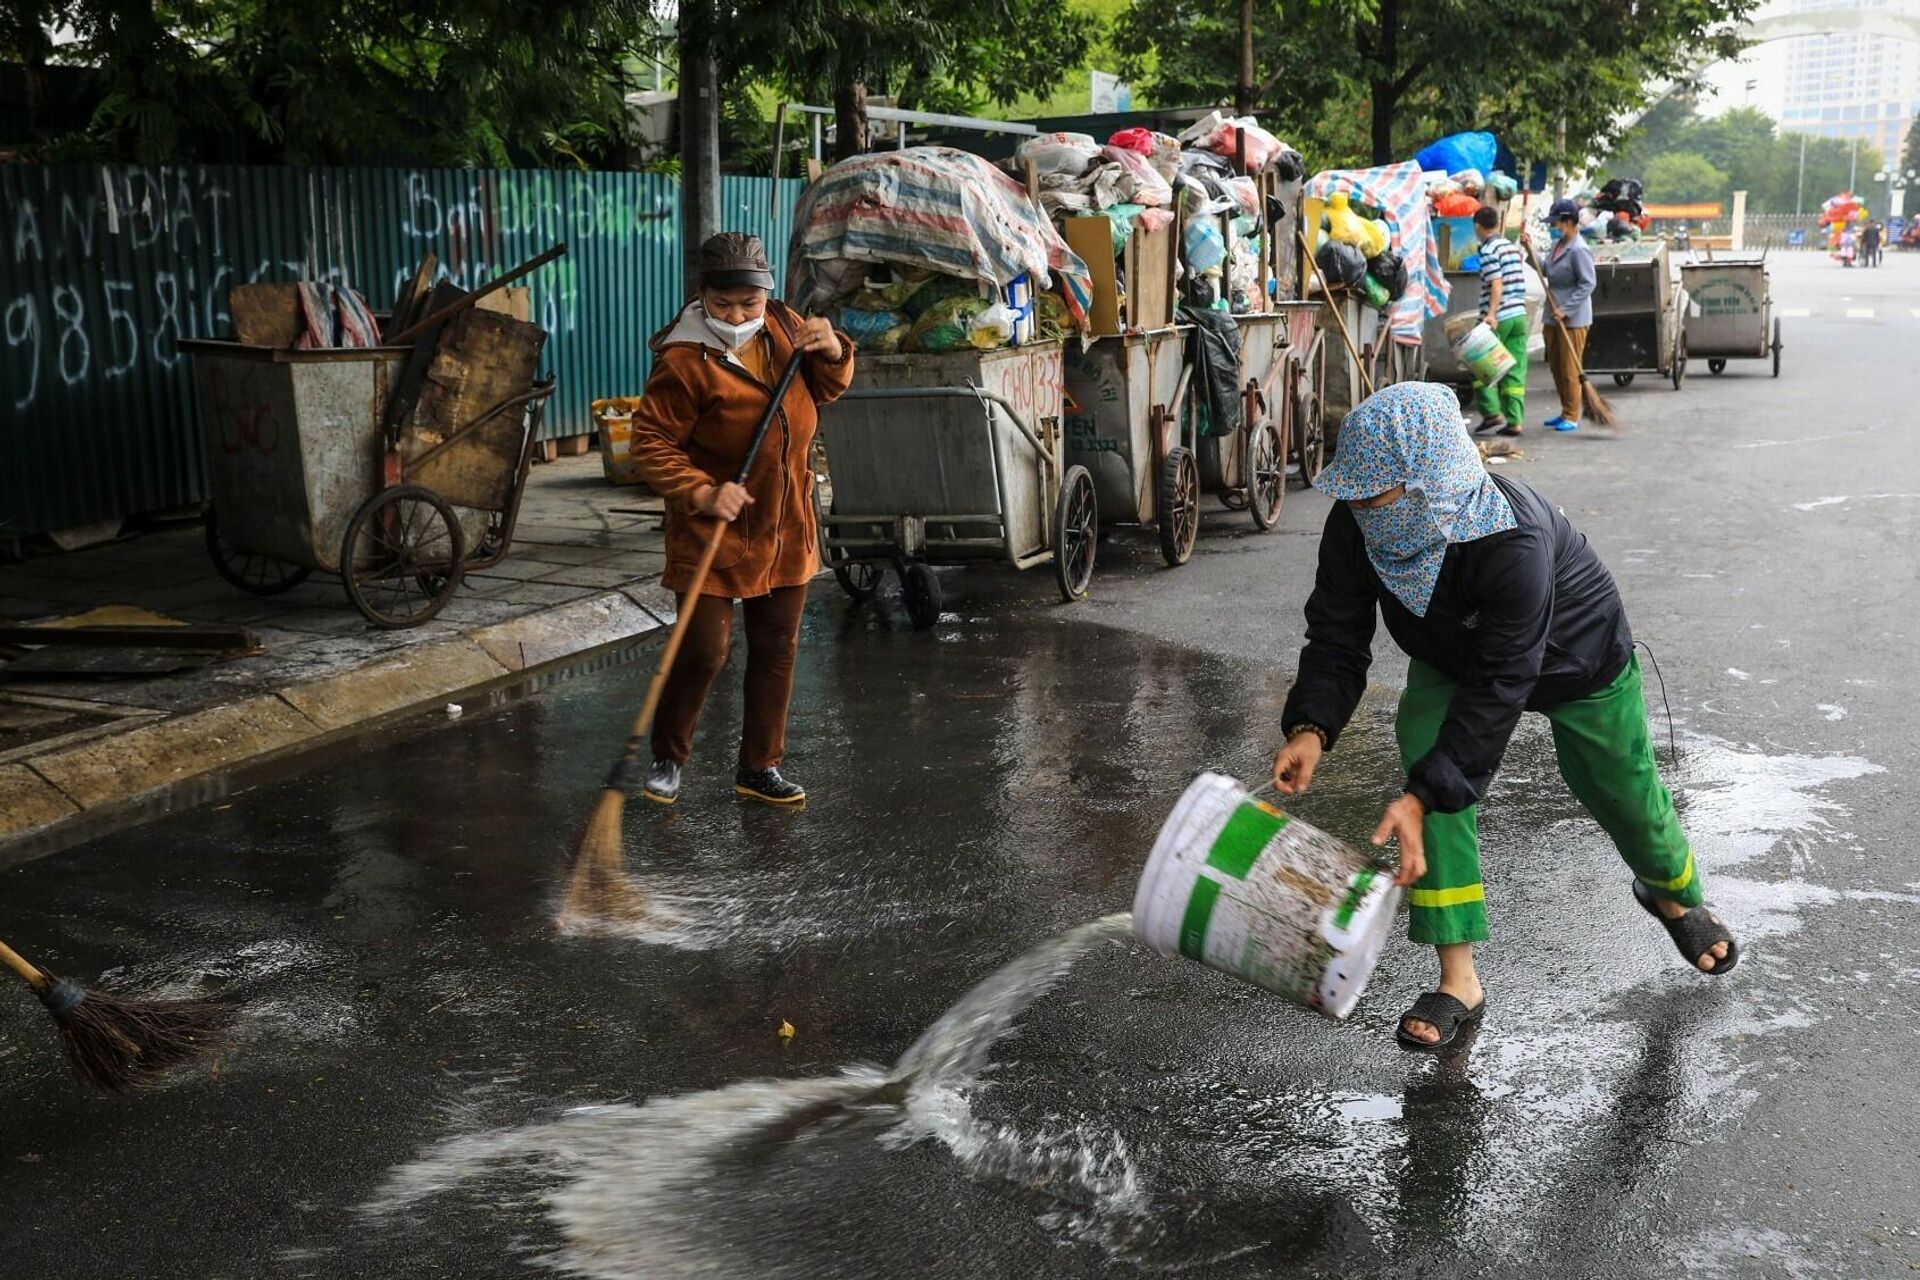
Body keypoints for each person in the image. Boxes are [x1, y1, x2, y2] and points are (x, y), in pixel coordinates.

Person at [1270, 382, 1738, 1052]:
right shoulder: (1355, 522)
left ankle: (1672, 893)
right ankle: (1458, 977)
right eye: (1353, 493)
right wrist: (1311, 728)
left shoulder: (1509, 542)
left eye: (1375, 494)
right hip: (1452, 656)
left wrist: (1431, 786)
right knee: (1428, 787)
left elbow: (1502, 681)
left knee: (1624, 793)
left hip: (1574, 657)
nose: (1360, 509)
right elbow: (1337, 633)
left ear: (1430, 483)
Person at [627, 232, 854, 806]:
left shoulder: (783, 325)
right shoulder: (684, 359)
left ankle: (759, 767)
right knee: (704, 650)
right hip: (714, 528)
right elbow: (651, 443)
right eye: (723, 305)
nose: (737, 315)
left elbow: (827, 388)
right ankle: (668, 755)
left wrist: (833, 349)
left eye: (748, 304)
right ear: (702, 296)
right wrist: (701, 492)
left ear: (766, 294)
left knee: (777, 647)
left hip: (786, 521)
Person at [1538, 199, 1598, 434]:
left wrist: (1567, 309)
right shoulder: (1557, 245)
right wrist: (1528, 249)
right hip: (1552, 316)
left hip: (1572, 319)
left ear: (1570, 222)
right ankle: (1564, 410)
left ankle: (1572, 415)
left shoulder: (1579, 250)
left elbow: (1587, 284)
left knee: (1570, 368)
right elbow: (1545, 269)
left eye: (1557, 222)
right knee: (1555, 366)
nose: (1554, 226)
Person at [1469, 206, 1528, 437]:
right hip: (1519, 316)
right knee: (1514, 369)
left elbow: (1496, 284)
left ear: (1477, 226)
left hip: (1500, 317)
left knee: (1480, 363)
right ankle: (1514, 421)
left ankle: (1491, 413)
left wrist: (1490, 315)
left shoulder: (1489, 250)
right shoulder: (1510, 248)